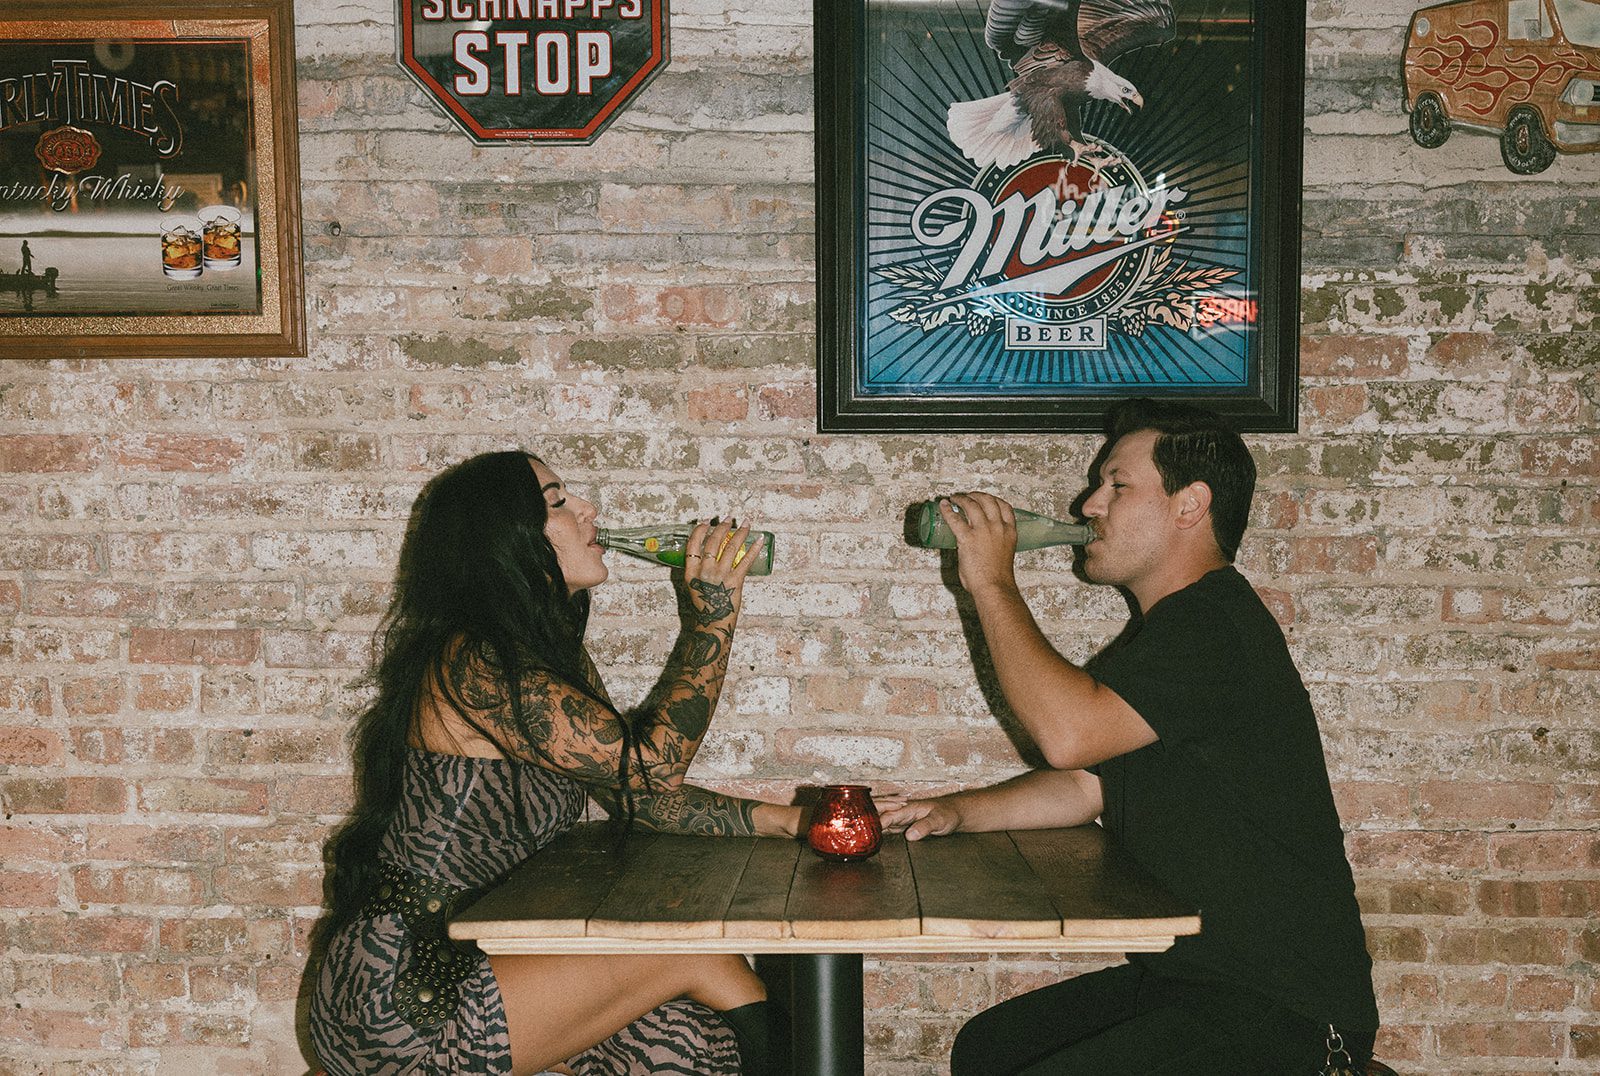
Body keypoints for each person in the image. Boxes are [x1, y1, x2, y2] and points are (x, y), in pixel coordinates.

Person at [881, 399, 1378, 1075]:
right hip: (1196, 982)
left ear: (1189, 505)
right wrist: (960, 810)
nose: (1089, 505)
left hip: (1284, 1010)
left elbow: (1070, 736)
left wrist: (992, 580)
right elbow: (1087, 781)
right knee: (990, 1050)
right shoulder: (1173, 636)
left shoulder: (1213, 627)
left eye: (1117, 486)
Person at [309, 450, 798, 1075]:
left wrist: (787, 823)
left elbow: (639, 798)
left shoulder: (539, 660)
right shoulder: (478, 661)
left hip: (484, 955)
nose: (587, 510)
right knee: (693, 952)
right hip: (405, 991)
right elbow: (650, 768)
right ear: (505, 541)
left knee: (693, 1039)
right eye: (558, 501)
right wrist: (712, 618)